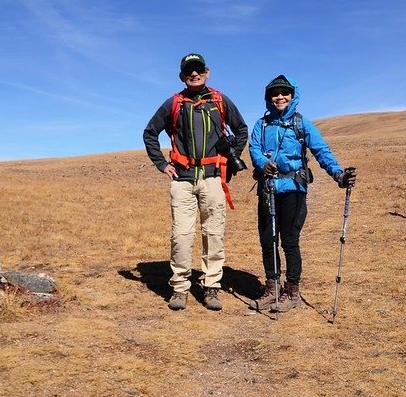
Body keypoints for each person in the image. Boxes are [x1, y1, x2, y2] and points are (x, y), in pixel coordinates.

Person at [143, 53, 248, 311]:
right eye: (189, 70)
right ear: (182, 76)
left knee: (213, 233)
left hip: (213, 178)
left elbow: (242, 129)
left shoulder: (220, 101)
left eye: (198, 69)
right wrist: (162, 164)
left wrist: (229, 156)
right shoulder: (174, 103)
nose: (194, 74)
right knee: (181, 235)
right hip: (182, 179)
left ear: (207, 72)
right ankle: (179, 288)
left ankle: (211, 286)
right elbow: (150, 133)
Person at [249, 74, 356, 312]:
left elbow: (321, 150)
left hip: (293, 190)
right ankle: (272, 287)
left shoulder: (302, 123)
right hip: (268, 190)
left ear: (292, 95)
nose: (280, 97)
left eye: (284, 92)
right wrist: (261, 163)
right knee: (267, 240)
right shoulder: (261, 124)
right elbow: (254, 148)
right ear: (268, 98)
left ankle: (292, 291)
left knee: (289, 241)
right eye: (275, 93)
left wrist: (338, 175)